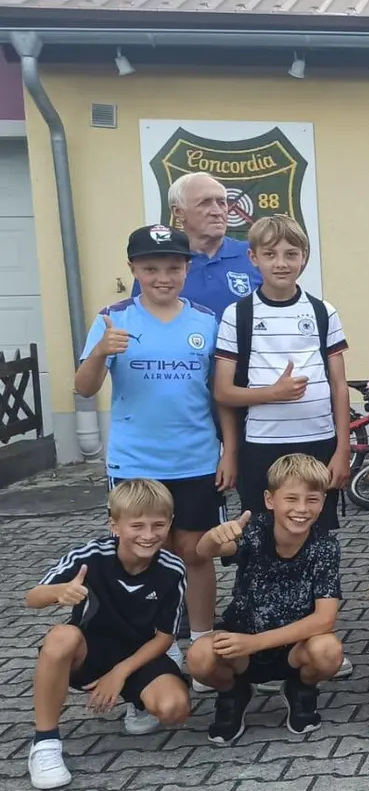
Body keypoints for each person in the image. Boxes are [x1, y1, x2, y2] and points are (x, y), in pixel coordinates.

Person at [76, 225, 235, 655]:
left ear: (187, 268)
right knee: (144, 554)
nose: (162, 277)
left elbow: (219, 394)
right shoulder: (114, 319)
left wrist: (230, 452)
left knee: (195, 551)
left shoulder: (206, 320)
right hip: (136, 462)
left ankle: (201, 640)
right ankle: (157, 649)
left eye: (172, 267)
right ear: (134, 269)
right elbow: (84, 387)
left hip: (197, 459)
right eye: (150, 268)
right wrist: (99, 352)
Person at [25, 480, 190, 790]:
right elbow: (32, 597)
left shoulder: (173, 568)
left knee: (175, 708)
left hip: (139, 656)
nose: (148, 534)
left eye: (158, 524)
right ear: (114, 524)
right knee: (61, 636)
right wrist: (60, 592)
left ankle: (137, 700)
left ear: (169, 524)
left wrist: (120, 673)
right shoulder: (90, 555)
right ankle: (45, 743)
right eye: (137, 525)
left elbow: (165, 637)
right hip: (89, 652)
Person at [188, 455, 344, 745]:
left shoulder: (325, 546)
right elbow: (204, 552)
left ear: (323, 502)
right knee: (199, 656)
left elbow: (325, 619)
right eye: (291, 499)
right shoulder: (255, 530)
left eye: (312, 499)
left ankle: (300, 688)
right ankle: (233, 692)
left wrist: (257, 642)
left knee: (329, 650)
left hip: (294, 649)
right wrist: (213, 536)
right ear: (270, 500)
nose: (301, 509)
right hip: (242, 647)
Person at [213, 215, 350, 534]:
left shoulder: (323, 312)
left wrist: (342, 449)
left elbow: (339, 387)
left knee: (316, 532)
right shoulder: (238, 314)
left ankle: (319, 587)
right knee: (262, 534)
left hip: (318, 441)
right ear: (253, 258)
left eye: (291, 254)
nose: (281, 263)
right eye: (271, 254)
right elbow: (223, 392)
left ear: (304, 258)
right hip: (261, 445)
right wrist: (272, 394)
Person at [133, 172, 261, 319]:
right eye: (205, 202)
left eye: (221, 202)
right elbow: (141, 318)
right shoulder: (159, 263)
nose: (217, 211)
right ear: (179, 212)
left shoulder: (253, 254)